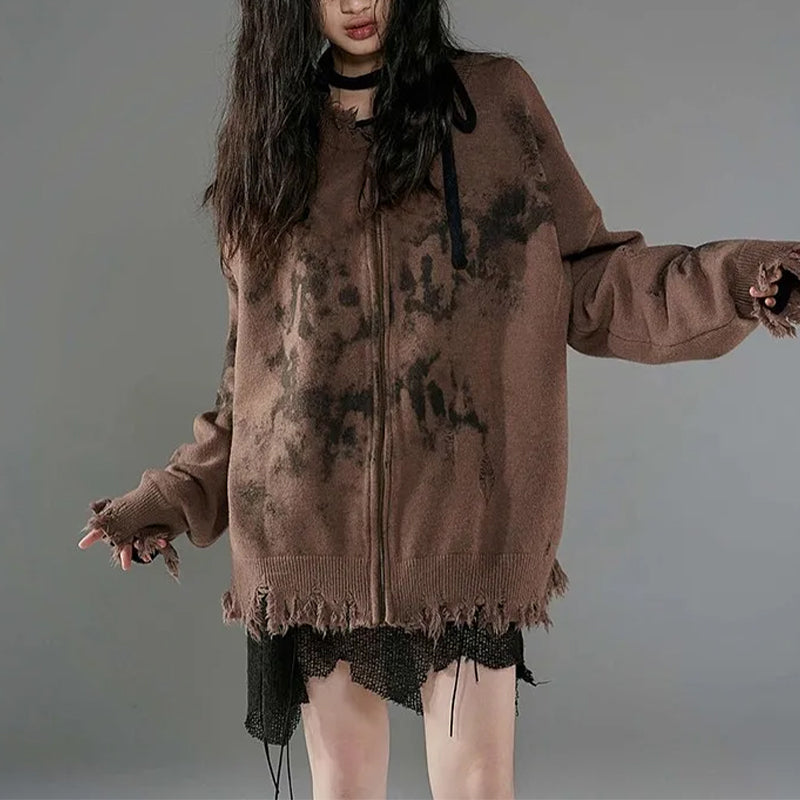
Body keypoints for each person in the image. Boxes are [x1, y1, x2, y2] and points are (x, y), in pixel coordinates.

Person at [78, 1, 800, 798]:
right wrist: (173, 497)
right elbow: (252, 376)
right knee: (343, 785)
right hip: (308, 532)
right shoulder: (272, 139)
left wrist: (742, 279)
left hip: (467, 525)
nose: (357, 2)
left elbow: (594, 278)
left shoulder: (492, 103)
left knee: (478, 782)